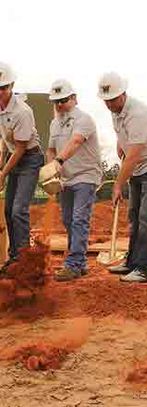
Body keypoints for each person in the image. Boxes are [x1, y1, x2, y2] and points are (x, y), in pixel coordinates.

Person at [98, 72, 147, 283]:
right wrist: (119, 144)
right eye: (107, 101)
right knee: (134, 216)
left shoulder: (138, 114)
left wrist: (117, 186)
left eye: (113, 99)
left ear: (123, 93)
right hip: (139, 167)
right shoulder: (116, 111)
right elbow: (122, 137)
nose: (110, 104)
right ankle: (132, 262)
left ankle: (145, 269)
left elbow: (133, 156)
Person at [47, 79, 102, 281]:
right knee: (68, 220)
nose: (60, 105)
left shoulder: (84, 120)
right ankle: (81, 262)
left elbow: (76, 141)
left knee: (79, 219)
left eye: (63, 100)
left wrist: (59, 161)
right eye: (56, 101)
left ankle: (73, 263)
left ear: (74, 98)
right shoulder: (54, 123)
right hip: (66, 179)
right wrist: (51, 170)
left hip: (86, 175)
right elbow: (51, 149)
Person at [0, 62, 44, 276]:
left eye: (3, 87)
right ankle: (15, 257)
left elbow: (20, 149)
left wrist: (2, 173)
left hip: (29, 158)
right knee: (8, 210)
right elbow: (4, 139)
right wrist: (1, 163)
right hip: (12, 155)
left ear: (12, 86)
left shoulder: (22, 112)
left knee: (19, 209)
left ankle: (25, 260)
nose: (0, 92)